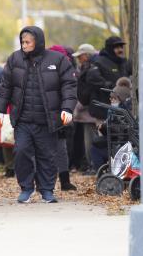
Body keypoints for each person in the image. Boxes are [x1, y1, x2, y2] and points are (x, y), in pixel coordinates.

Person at [0, 26, 77, 204]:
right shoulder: (15, 59)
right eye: (22, 42)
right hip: (23, 119)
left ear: (37, 42)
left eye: (28, 42)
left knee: (47, 155)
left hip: (47, 120)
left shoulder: (58, 60)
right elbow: (5, 86)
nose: (24, 45)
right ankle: (26, 188)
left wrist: (67, 108)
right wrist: (0, 110)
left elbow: (69, 85)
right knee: (21, 152)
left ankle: (46, 189)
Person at [49, 45, 78, 191]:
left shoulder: (63, 71)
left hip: (60, 113)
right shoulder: (66, 69)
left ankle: (63, 180)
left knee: (60, 148)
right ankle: (61, 181)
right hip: (55, 113)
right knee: (59, 149)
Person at [72, 43, 103, 173]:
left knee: (91, 140)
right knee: (89, 140)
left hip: (90, 112)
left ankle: (94, 166)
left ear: (86, 55)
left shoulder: (91, 69)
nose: (78, 59)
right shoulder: (88, 67)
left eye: (80, 56)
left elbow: (89, 89)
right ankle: (92, 165)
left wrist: (81, 102)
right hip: (88, 111)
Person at [89, 36, 131, 120]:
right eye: (116, 47)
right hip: (103, 111)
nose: (120, 50)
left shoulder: (124, 61)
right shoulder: (99, 62)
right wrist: (112, 88)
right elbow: (93, 79)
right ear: (109, 48)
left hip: (123, 110)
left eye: (121, 47)